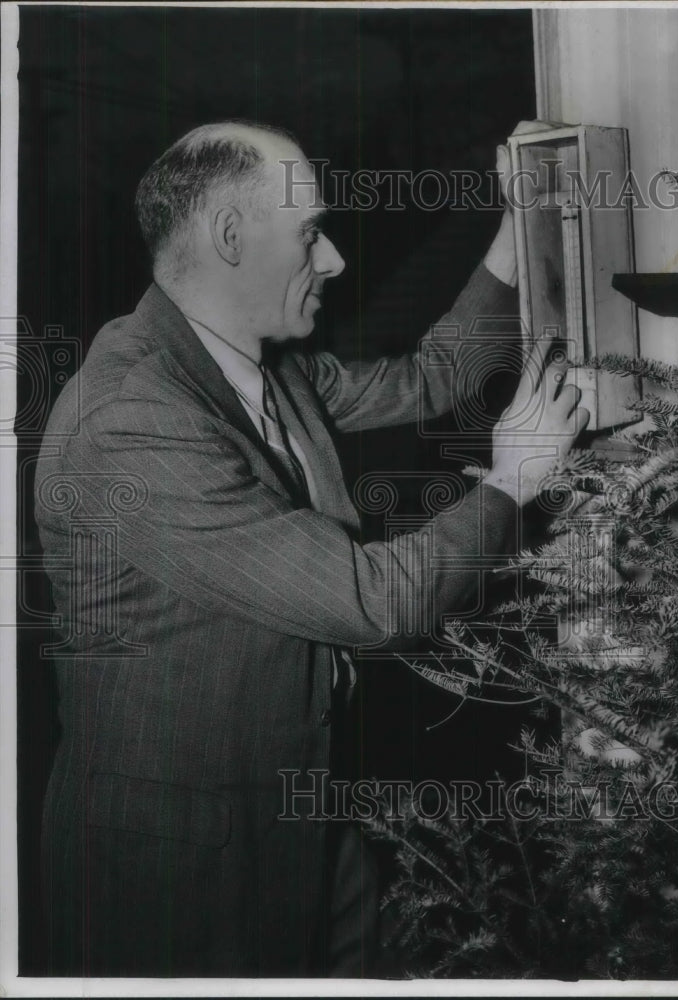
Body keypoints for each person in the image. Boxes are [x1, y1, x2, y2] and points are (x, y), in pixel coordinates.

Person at [34, 121, 588, 977]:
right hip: (177, 860)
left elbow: (433, 374)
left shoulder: (255, 368)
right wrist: (510, 484)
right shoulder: (131, 417)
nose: (331, 260)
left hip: (305, 815)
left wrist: (518, 227)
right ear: (229, 237)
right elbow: (375, 602)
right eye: (309, 233)